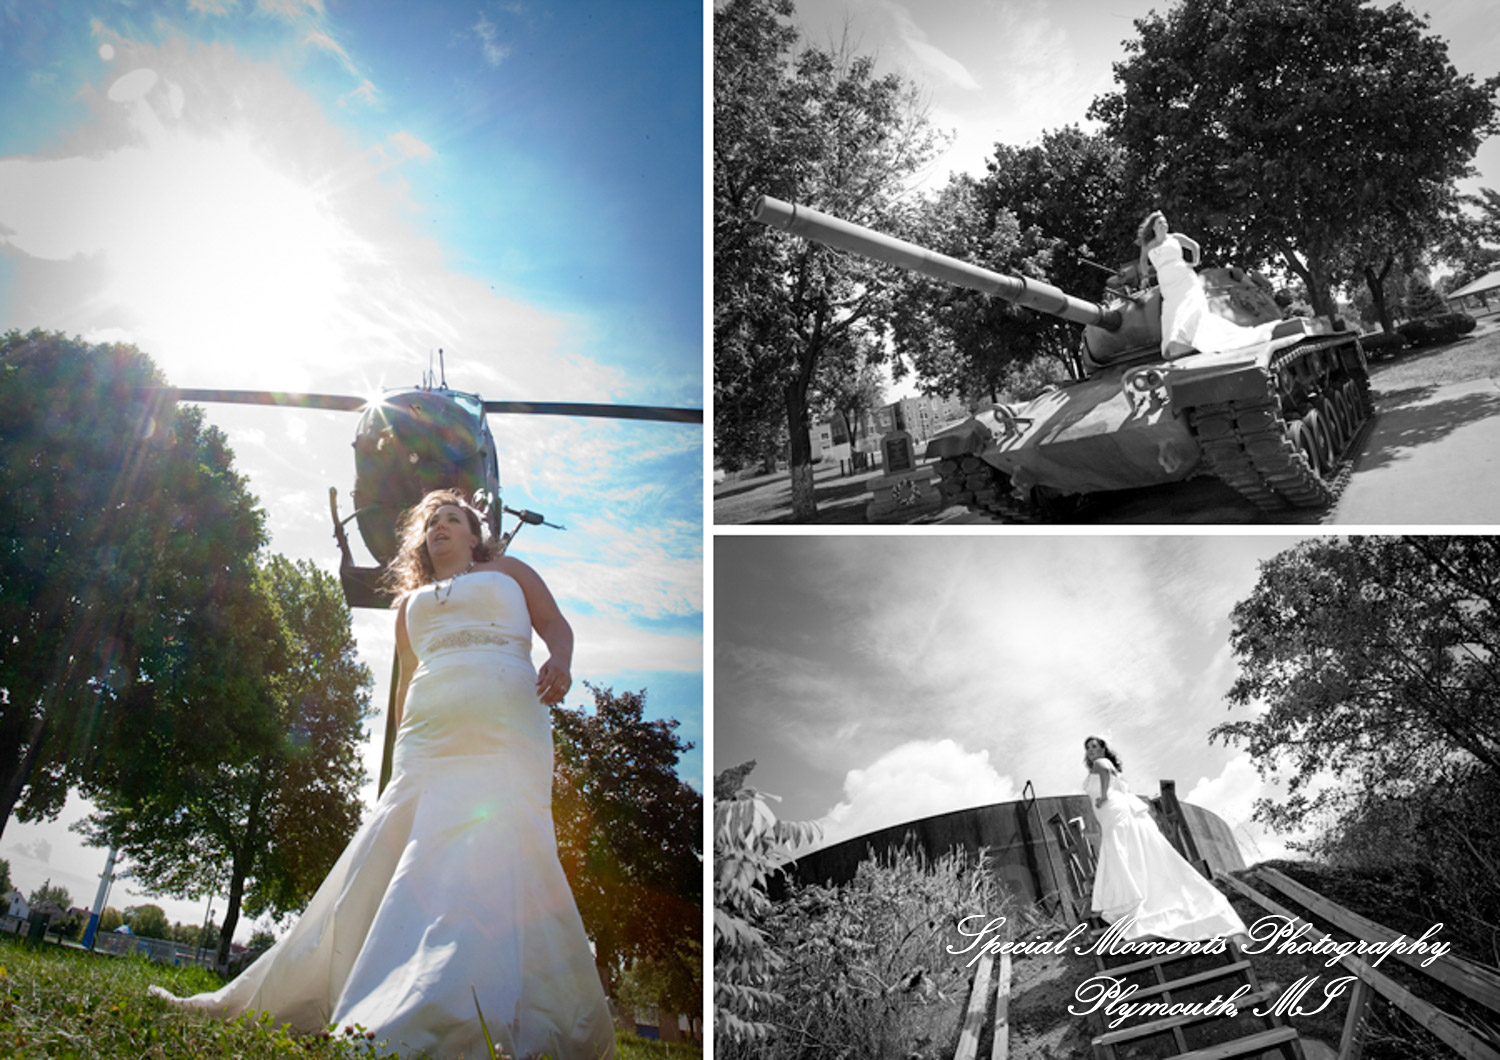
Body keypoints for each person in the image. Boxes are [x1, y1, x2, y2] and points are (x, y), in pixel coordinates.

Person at [151, 488, 615, 1060]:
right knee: (396, 856)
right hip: (428, 742)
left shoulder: (512, 571)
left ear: (475, 535)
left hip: (506, 733)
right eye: (432, 522)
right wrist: (401, 747)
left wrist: (561, 662)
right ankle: (350, 987)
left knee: (496, 850)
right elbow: (404, 681)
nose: (440, 527)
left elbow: (556, 626)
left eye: (453, 519)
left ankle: (469, 1004)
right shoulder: (409, 604)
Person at [1084, 736, 1248, 944]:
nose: (1091, 750)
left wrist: (1104, 796)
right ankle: (1142, 895)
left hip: (1112, 808)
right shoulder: (1107, 768)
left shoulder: (1101, 763)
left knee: (1121, 849)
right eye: (1088, 747)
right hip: (1115, 811)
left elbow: (1105, 775)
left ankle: (1136, 900)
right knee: (1130, 849)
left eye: (1095, 746)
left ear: (1103, 749)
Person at [1137, 210, 1283, 358]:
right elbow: (1143, 261)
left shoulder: (1175, 238)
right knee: (1172, 310)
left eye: (1165, 221)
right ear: (1153, 227)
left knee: (1189, 307)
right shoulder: (1148, 245)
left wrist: (1194, 263)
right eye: (1160, 222)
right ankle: (1178, 343)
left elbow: (1195, 246)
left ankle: (1187, 342)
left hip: (1184, 279)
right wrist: (1144, 277)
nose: (1164, 224)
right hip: (1167, 285)